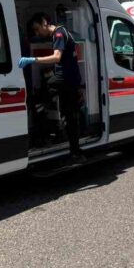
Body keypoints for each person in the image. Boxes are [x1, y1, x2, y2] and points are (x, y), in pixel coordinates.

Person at [19, 12, 86, 164]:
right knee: (69, 116)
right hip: (71, 81)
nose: (37, 33)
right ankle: (75, 152)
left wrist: (33, 60)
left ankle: (41, 135)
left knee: (35, 99)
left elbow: (57, 57)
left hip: (65, 81)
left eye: (37, 29)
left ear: (44, 23)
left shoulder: (58, 34)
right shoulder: (62, 31)